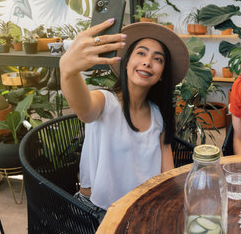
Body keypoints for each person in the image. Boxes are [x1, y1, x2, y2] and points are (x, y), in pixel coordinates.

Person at [59, 20, 189, 221]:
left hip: (140, 210)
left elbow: (167, 175)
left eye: (158, 59)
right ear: (126, 61)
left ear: (162, 74)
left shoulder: (158, 115)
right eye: (141, 53)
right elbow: (85, 111)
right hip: (94, 212)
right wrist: (68, 71)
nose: (147, 62)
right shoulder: (104, 101)